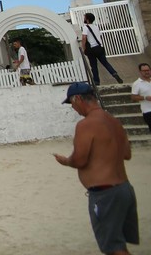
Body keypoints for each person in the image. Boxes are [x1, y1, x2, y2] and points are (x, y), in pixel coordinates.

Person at [55, 82, 139, 255]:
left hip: (105, 193)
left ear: (77, 99)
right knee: (119, 245)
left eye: (72, 104)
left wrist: (66, 161)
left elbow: (80, 160)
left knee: (114, 248)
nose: (74, 109)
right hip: (124, 189)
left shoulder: (86, 125)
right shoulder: (113, 121)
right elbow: (126, 154)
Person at [80, 13, 123, 86]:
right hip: (100, 48)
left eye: (84, 17)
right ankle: (114, 74)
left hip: (92, 49)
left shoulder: (85, 27)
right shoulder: (96, 27)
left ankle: (96, 81)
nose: (84, 19)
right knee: (105, 63)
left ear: (87, 19)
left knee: (94, 66)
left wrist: (84, 48)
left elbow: (84, 38)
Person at [132, 62, 151, 134]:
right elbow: (133, 97)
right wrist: (145, 97)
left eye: (148, 70)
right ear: (140, 72)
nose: (147, 72)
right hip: (148, 111)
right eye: (144, 71)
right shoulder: (137, 84)